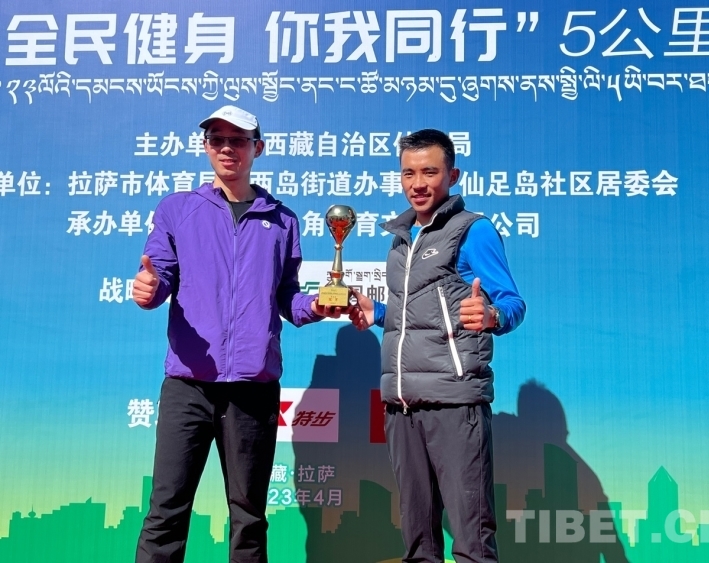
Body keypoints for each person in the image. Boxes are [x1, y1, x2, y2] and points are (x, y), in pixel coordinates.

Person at [132, 105, 340, 563]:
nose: (228, 148)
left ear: (257, 148)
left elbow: (287, 296)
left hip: (253, 389)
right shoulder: (177, 209)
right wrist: (149, 288)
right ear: (206, 147)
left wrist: (315, 307)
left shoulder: (282, 220)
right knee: (166, 512)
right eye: (218, 139)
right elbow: (158, 274)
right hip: (188, 385)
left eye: (239, 140)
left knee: (248, 517)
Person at [349, 129, 526, 563]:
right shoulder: (400, 239)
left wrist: (492, 316)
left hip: (455, 402)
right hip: (402, 406)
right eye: (408, 173)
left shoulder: (473, 231)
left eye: (429, 172)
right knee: (418, 544)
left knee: (471, 539)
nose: (418, 183)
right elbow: (419, 316)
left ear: (452, 175)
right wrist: (378, 314)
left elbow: (512, 303)